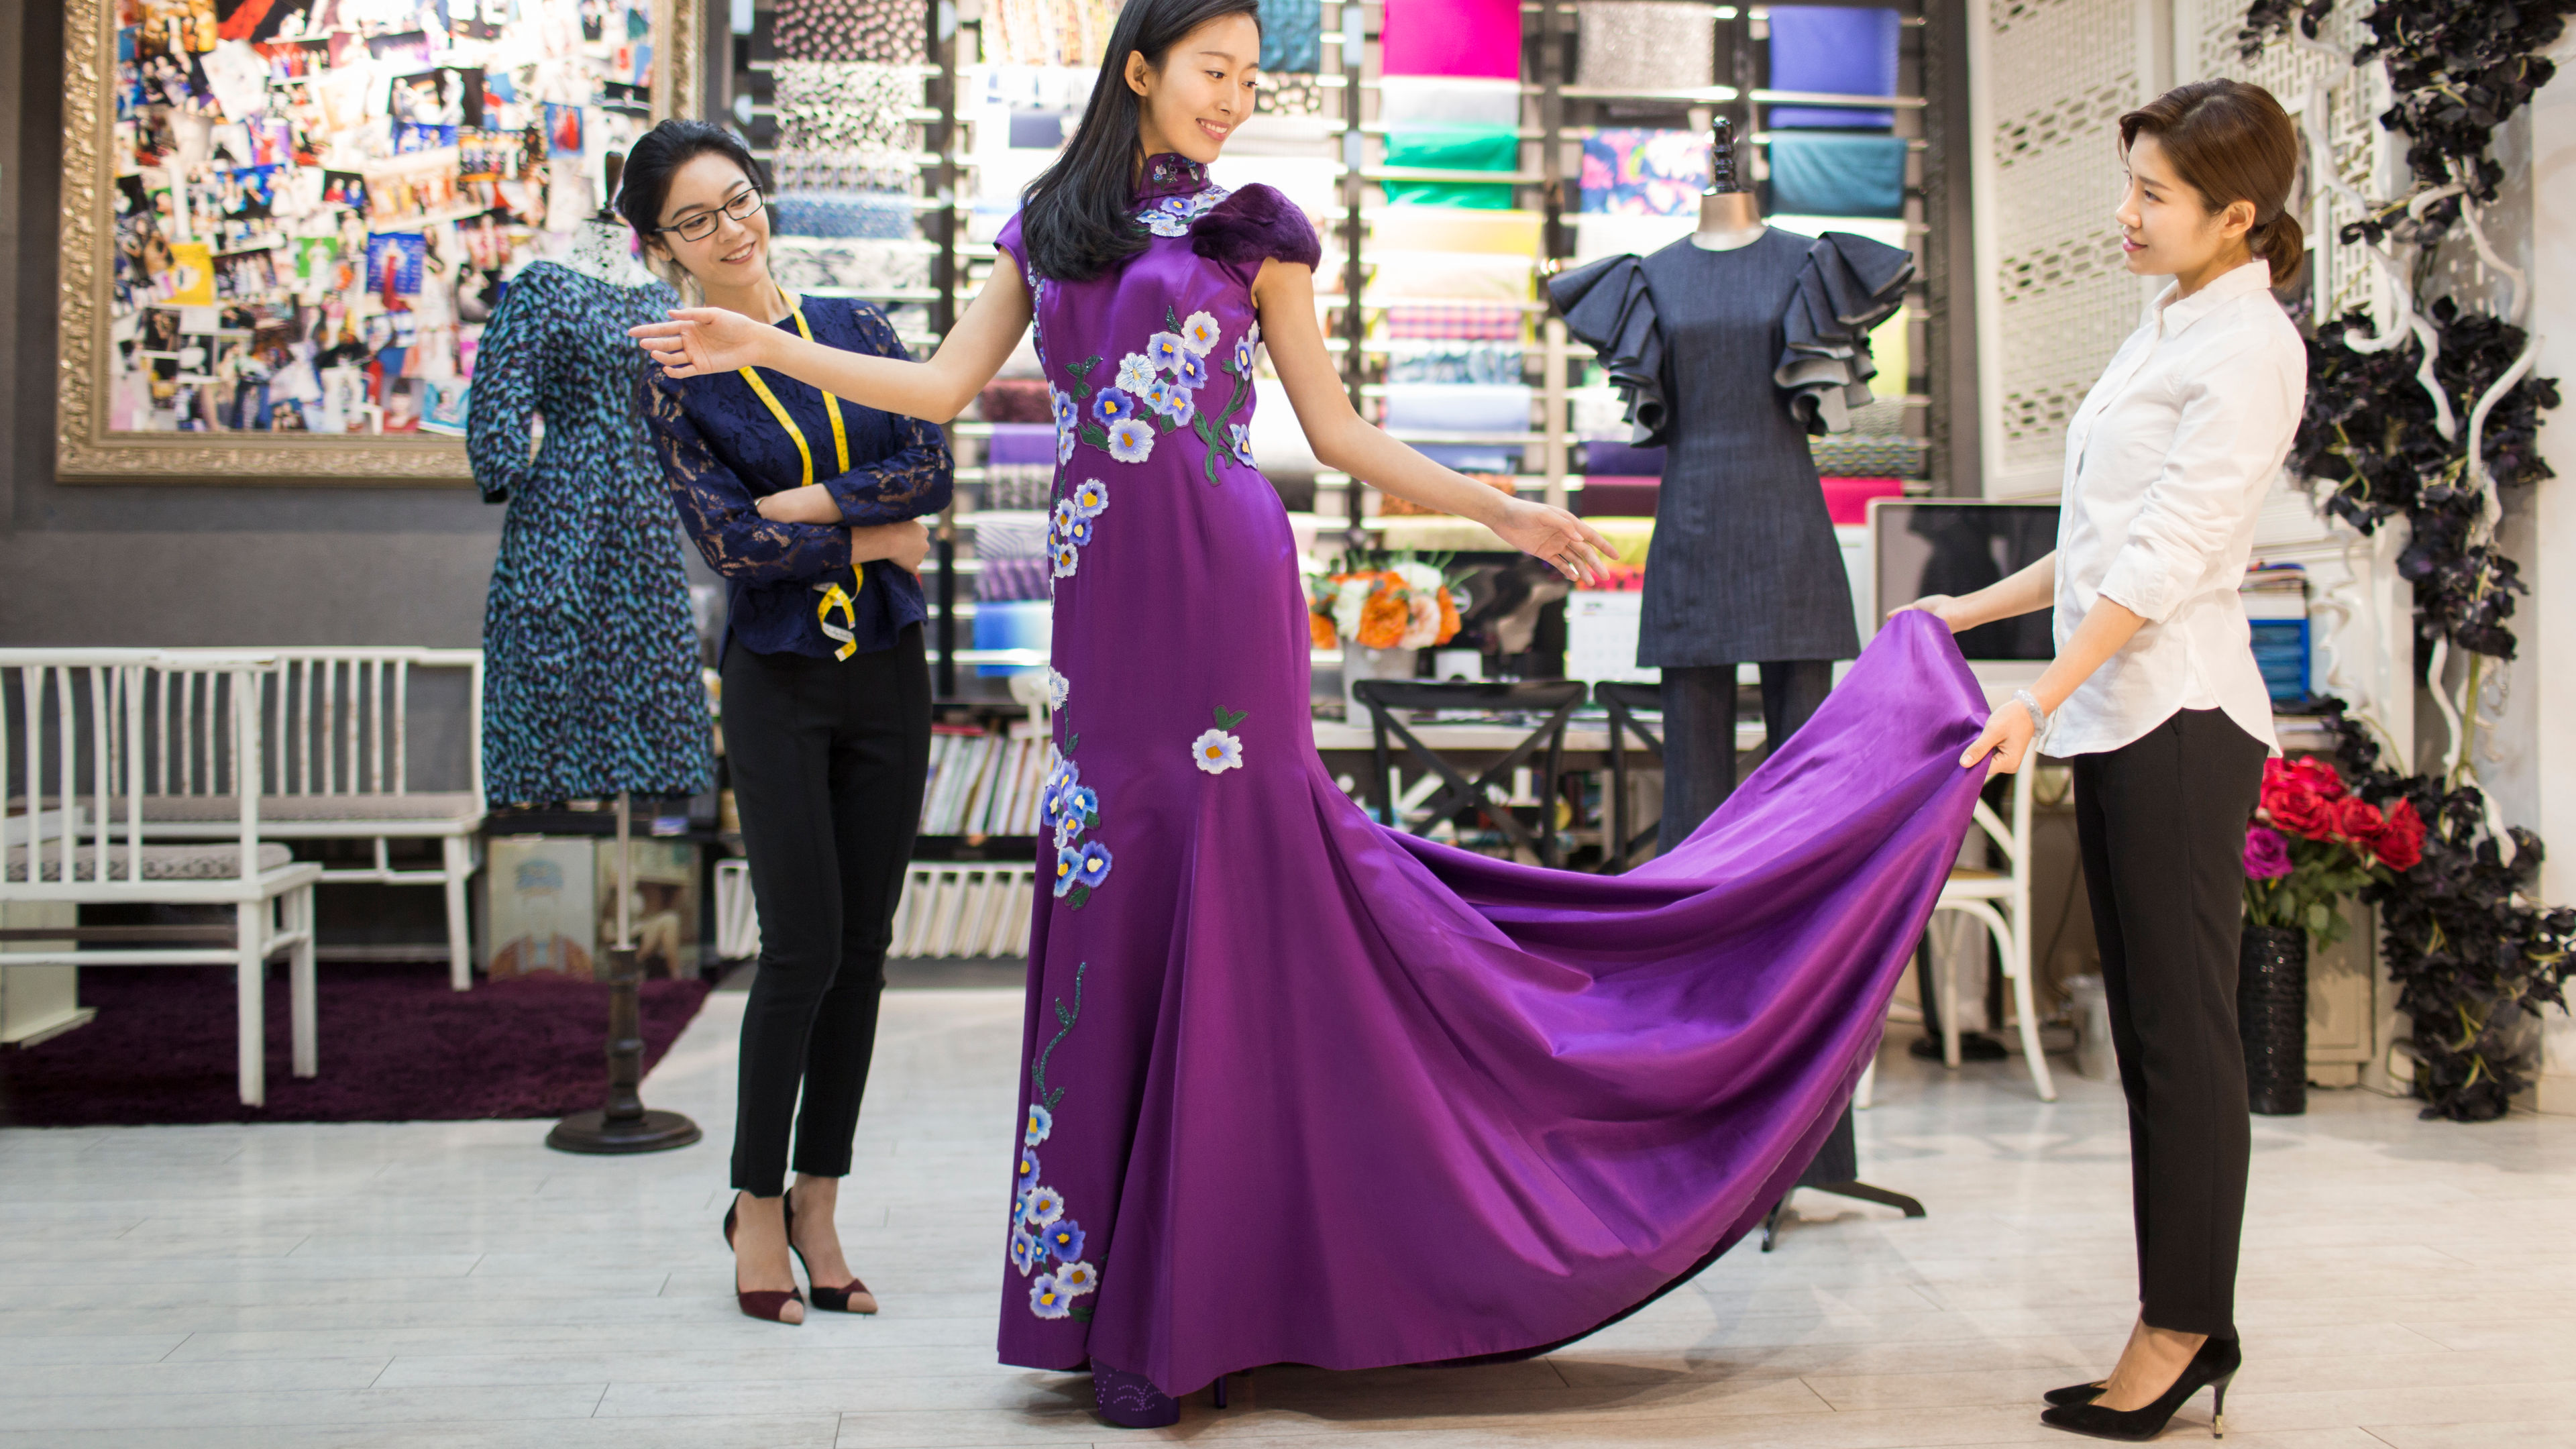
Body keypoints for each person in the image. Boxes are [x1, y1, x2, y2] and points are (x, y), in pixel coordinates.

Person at [633, 0, 1990, 1426]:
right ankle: (1113, 1300)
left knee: (1240, 907)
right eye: (1214, 72)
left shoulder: (1258, 225)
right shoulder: (1050, 224)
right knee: (1116, 906)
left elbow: (1335, 433)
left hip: (1225, 585)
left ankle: (1210, 1301)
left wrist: (1503, 508)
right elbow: (940, 388)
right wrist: (755, 344)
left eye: (1252, 76)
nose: (1236, 97)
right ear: (1141, 68)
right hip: (1104, 604)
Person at [1898, 78, 2308, 1442]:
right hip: (2119, 711)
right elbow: (2093, 547)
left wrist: (2040, 697)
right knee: (2150, 1043)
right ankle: (2190, 1315)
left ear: (2235, 217)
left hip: (2179, 718)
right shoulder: (2167, 327)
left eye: (2154, 195)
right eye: (2127, 183)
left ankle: (2183, 1329)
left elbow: (2171, 555)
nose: (2125, 215)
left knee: (2184, 1044)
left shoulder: (2249, 350)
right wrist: (1965, 614)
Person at [617, 119, 953, 1326]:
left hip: (890, 667)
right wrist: (871, 534)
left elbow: (933, 469)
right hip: (778, 676)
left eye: (739, 199)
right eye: (696, 220)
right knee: (800, 948)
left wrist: (804, 505)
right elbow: (731, 548)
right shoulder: (669, 372)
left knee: (865, 952)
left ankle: (820, 1199)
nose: (732, 228)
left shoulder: (857, 330)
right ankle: (753, 1201)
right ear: (661, 248)